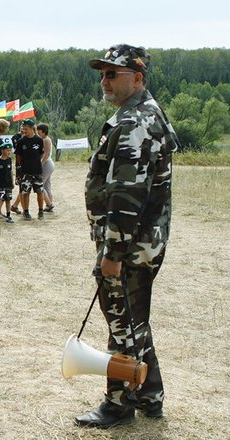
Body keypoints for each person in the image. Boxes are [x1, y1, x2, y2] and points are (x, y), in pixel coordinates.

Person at [75, 44, 180, 429]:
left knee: (122, 325)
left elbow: (127, 195)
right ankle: (150, 395)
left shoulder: (135, 122)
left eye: (112, 74)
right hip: (142, 241)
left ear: (137, 78)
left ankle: (119, 404)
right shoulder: (144, 114)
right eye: (102, 74)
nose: (104, 81)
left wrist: (113, 253)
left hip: (129, 245)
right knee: (135, 321)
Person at [14, 119, 45, 220]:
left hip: (37, 171)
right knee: (25, 192)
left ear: (32, 128)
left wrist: (35, 162)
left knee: (40, 191)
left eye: (26, 129)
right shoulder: (21, 141)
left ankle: (41, 211)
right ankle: (26, 212)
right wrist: (22, 166)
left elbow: (41, 154)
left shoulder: (39, 140)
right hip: (25, 171)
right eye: (23, 129)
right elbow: (18, 157)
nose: (24, 131)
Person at [0, 142, 14, 223]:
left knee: (8, 200)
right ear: (2, 150)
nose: (9, 152)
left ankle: (8, 215)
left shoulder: (9, 160)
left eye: (10, 150)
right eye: (7, 150)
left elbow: (10, 171)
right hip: (0, 184)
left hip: (8, 183)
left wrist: (12, 182)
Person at [37, 123, 55, 211]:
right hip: (48, 164)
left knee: (39, 185)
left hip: (46, 164)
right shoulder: (44, 139)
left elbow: (46, 154)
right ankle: (49, 204)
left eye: (39, 132)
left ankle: (49, 204)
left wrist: (40, 164)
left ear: (44, 132)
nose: (38, 134)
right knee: (47, 186)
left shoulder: (46, 140)